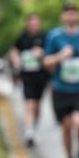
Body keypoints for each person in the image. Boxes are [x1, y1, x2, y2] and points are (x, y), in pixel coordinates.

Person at [44, 2, 79, 158]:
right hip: (61, 88)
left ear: (78, 15)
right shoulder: (54, 36)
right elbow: (47, 63)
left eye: (74, 13)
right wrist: (60, 56)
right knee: (66, 126)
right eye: (67, 13)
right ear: (62, 17)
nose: (71, 16)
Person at [8, 14, 50, 147]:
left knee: (37, 105)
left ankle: (33, 127)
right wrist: (16, 59)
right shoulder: (22, 38)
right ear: (27, 24)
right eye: (31, 23)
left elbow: (52, 53)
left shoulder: (45, 37)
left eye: (35, 23)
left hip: (41, 76)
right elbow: (14, 51)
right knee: (29, 103)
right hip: (27, 76)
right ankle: (29, 131)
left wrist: (42, 53)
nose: (33, 25)